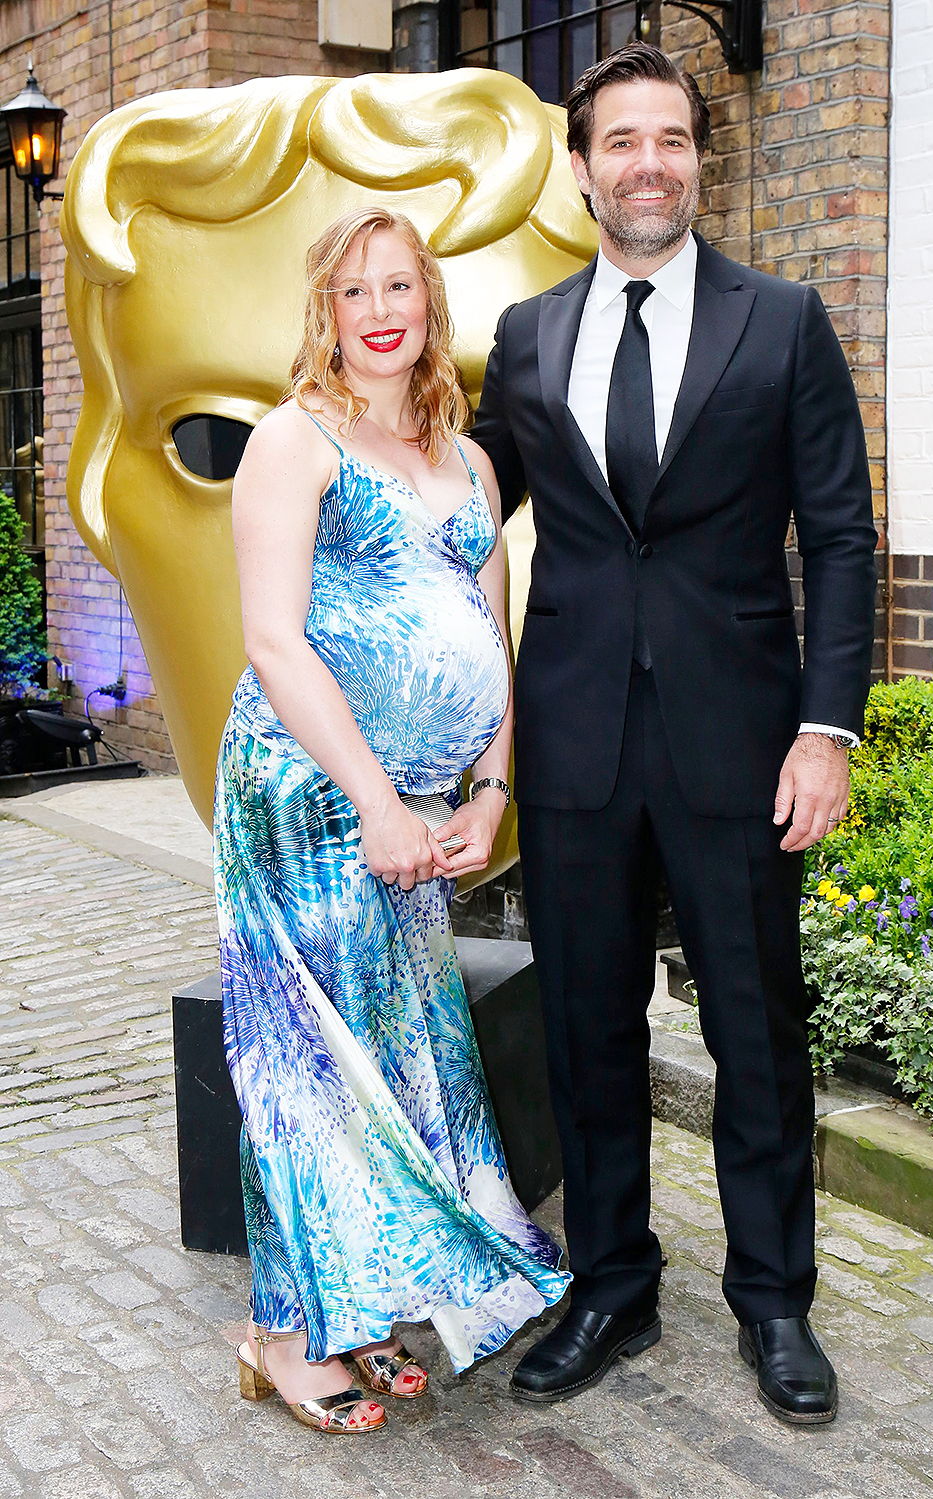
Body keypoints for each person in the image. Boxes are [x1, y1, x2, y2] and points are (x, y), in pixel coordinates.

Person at [472, 44, 876, 1426]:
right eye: (622, 141)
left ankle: (774, 1298)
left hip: (738, 743)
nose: (650, 162)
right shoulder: (527, 337)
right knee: (588, 1028)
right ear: (579, 169)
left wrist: (826, 726)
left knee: (758, 1031)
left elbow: (838, 533)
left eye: (673, 140)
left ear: (702, 161)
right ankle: (614, 1280)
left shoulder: (784, 321)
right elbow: (460, 506)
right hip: (576, 743)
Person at [214, 206, 570, 1436]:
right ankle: (281, 1334)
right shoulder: (292, 440)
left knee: (393, 1058)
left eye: (400, 288)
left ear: (428, 307)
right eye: (355, 290)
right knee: (310, 1070)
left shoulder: (468, 460)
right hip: (309, 796)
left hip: (421, 812)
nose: (379, 310)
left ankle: (353, 1312)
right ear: (326, 307)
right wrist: (374, 799)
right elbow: (271, 638)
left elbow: (491, 638)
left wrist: (489, 789)